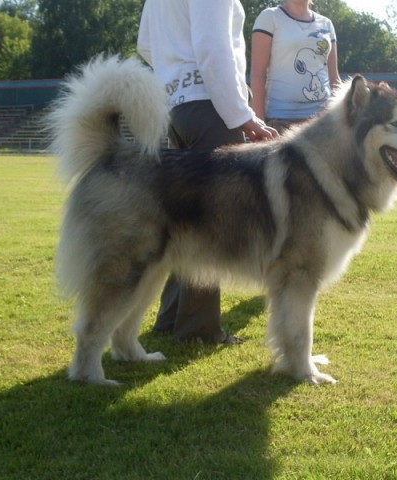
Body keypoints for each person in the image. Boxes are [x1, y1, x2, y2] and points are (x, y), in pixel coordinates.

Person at [137, 0, 278, 344]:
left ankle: (172, 318)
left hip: (177, 107)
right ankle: (198, 329)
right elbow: (212, 46)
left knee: (185, 221)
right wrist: (240, 113)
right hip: (211, 106)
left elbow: (145, 43)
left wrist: (174, 76)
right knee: (213, 224)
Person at [250, 0, 341, 133]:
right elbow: (258, 74)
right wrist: (260, 124)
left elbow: (334, 78)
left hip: (323, 121)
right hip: (281, 121)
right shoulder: (269, 17)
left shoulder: (326, 23)